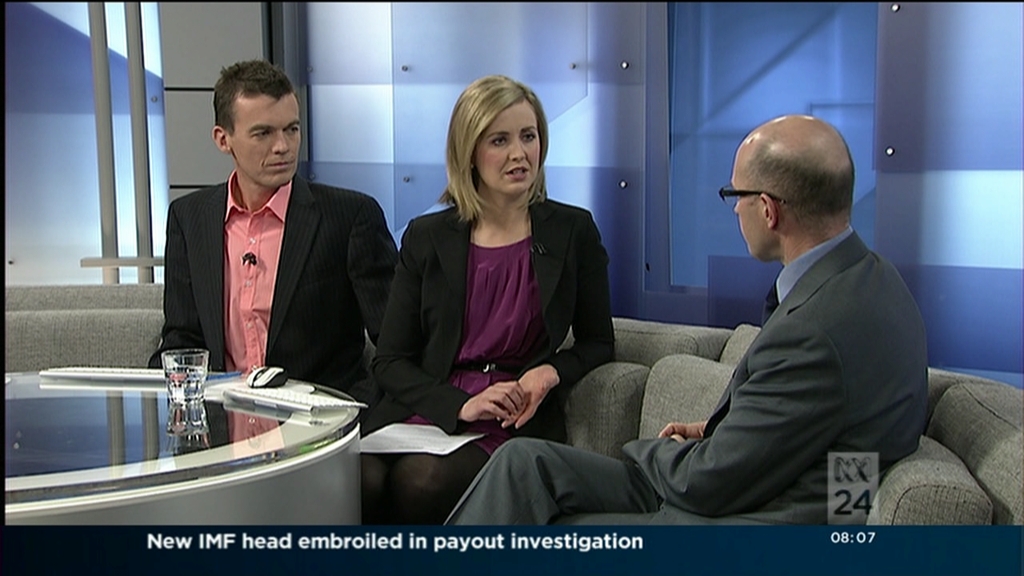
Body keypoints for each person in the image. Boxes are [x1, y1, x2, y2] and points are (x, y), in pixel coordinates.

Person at [446, 114, 929, 525]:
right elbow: (807, 427)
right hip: (750, 487)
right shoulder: (875, 279)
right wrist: (726, 431)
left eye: (735, 194)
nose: (735, 210)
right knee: (523, 463)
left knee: (546, 522)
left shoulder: (814, 331)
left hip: (732, 524)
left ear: (768, 210)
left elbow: (710, 482)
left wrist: (652, 449)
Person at [359, 75, 615, 524]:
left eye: (528, 136)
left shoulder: (572, 231)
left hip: (510, 417)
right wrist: (459, 403)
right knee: (357, 479)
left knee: (420, 482)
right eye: (500, 140)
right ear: (469, 153)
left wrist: (550, 371)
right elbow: (390, 360)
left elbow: (598, 342)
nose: (520, 154)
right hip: (430, 406)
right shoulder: (427, 237)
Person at [149, 59, 398, 404]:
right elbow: (183, 338)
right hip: (222, 417)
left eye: (291, 129)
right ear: (223, 139)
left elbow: (397, 343)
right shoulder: (189, 218)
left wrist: (355, 411)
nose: (283, 146)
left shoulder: (350, 217)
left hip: (320, 417)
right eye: (263, 133)